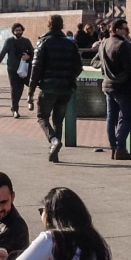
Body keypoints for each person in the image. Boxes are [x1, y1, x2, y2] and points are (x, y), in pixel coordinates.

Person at [28, 14, 83, 163]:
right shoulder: (71, 44)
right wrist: (69, 78)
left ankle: (53, 141)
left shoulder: (43, 42)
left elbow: (36, 68)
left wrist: (31, 90)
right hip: (66, 89)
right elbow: (79, 67)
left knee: (42, 117)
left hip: (48, 87)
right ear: (62, 25)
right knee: (58, 121)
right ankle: (55, 152)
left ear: (49, 25)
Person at [96, 17, 131, 160]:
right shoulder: (123, 45)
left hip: (108, 85)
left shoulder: (104, 43)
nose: (127, 32)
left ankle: (113, 148)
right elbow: (129, 67)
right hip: (122, 86)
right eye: (125, 29)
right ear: (117, 30)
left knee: (111, 117)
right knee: (128, 116)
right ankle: (120, 147)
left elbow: (96, 61)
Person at [0, 23, 35, 118]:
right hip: (12, 69)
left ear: (22, 31)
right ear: (13, 32)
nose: (18, 32)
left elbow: (33, 53)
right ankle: (15, 110)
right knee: (14, 89)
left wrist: (28, 57)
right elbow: (2, 54)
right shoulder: (9, 42)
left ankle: (26, 99)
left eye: (20, 30)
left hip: (24, 69)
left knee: (22, 88)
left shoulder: (26, 41)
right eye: (16, 30)